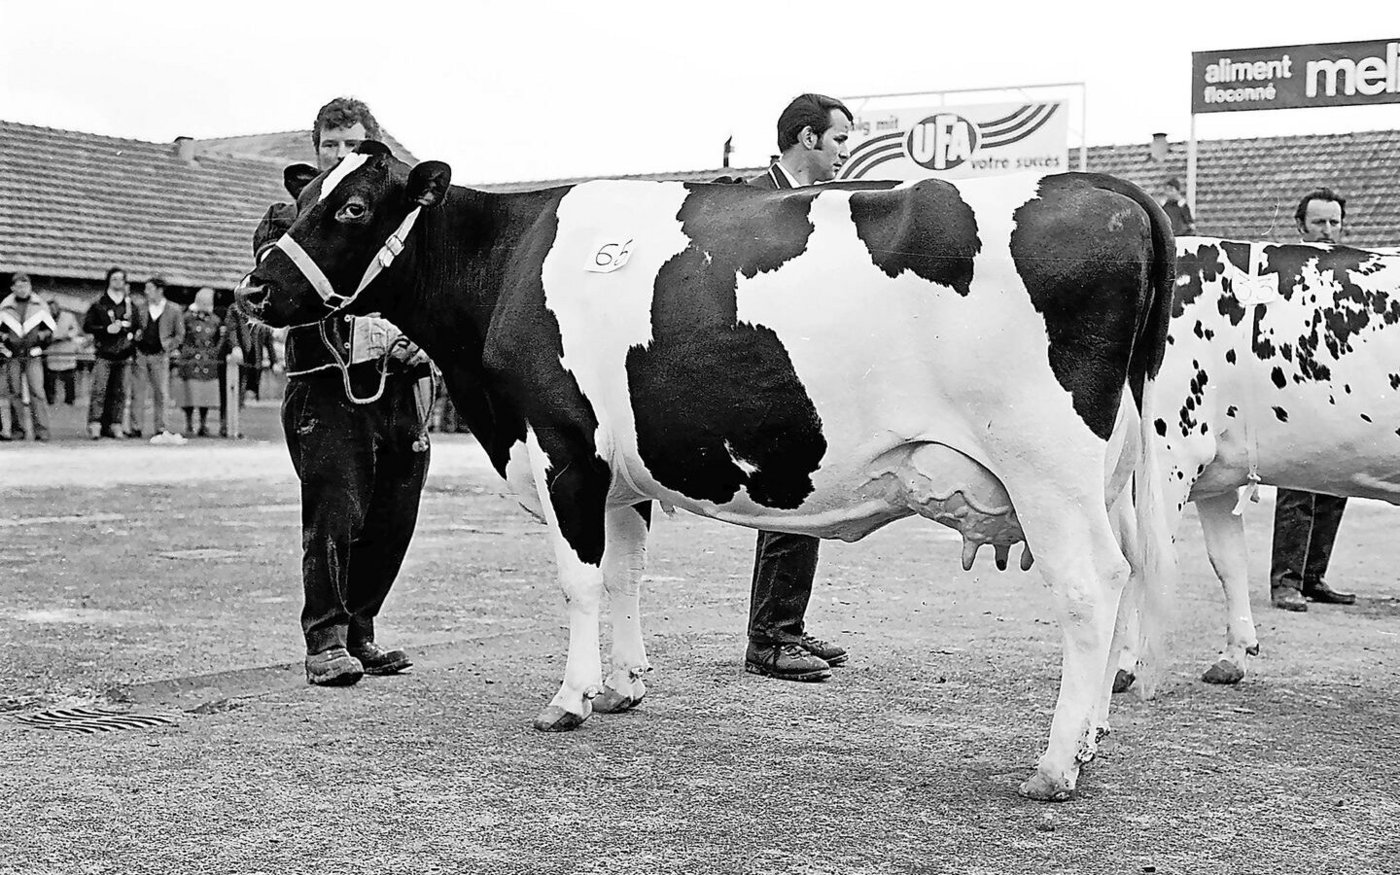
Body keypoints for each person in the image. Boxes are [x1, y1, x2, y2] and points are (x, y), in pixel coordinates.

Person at [253, 97, 431, 686]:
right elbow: (280, 294)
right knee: (335, 514)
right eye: (330, 145)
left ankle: (362, 630)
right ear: (315, 151)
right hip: (326, 390)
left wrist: (418, 340)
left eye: (351, 144)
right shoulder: (288, 220)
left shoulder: (402, 225)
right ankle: (324, 638)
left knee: (392, 516)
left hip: (398, 389)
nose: (339, 154)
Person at [738, 94, 853, 682]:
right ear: (807, 139)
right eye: (838, 140)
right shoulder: (752, 201)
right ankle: (771, 639)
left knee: (804, 493)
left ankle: (784, 625)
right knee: (790, 488)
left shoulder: (823, 205)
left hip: (804, 365)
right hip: (757, 367)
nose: (844, 153)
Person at [1270, 188, 1354, 612]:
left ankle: (1314, 576)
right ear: (1300, 226)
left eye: (1333, 222)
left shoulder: (1353, 269)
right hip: (1294, 388)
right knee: (1298, 484)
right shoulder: (1283, 268)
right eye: (1318, 222)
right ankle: (1285, 580)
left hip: (1342, 390)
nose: (1327, 230)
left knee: (1337, 481)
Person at [82, 266, 142, 439]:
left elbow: (136, 326)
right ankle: (95, 424)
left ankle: (116, 424)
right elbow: (87, 326)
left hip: (124, 354)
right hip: (104, 353)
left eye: (121, 279)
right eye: (114, 279)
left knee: (120, 392)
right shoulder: (99, 303)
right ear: (108, 280)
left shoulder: (130, 305)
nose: (118, 282)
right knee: (99, 390)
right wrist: (106, 329)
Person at [0, 272, 55, 441]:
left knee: (37, 392)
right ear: (12, 288)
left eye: (26, 285)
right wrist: (6, 340)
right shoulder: (5, 307)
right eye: (19, 285)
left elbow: (50, 329)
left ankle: (42, 430)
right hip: (13, 355)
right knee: (14, 392)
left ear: (30, 287)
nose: (23, 289)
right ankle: (18, 430)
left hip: (33, 355)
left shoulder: (40, 305)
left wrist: (40, 339)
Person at [130, 276, 186, 443]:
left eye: (149, 288)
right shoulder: (140, 308)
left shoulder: (174, 310)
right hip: (141, 354)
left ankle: (161, 427)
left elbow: (180, 334)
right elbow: (134, 328)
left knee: (161, 393)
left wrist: (168, 346)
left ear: (159, 290)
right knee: (138, 392)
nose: (146, 292)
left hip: (160, 355)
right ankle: (136, 427)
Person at [174, 287, 226, 437]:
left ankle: (203, 424)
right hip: (190, 358)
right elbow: (181, 336)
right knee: (189, 393)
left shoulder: (215, 320)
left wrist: (215, 351)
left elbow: (219, 339)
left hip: (208, 361)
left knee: (206, 394)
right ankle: (189, 423)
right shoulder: (187, 318)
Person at [44, 299, 81, 406]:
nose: (53, 310)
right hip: (52, 349)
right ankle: (50, 399)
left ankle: (70, 399)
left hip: (66, 349)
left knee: (69, 376)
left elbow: (75, 330)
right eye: (50, 308)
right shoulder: (45, 318)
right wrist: (51, 338)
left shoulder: (68, 316)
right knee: (50, 377)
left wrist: (66, 336)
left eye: (54, 307)